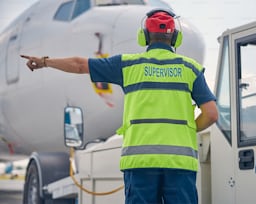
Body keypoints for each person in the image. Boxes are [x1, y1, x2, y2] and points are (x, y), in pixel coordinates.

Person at [21, 8, 218, 204]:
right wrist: (189, 128)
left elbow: (80, 64)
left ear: (144, 37)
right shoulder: (190, 68)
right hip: (180, 163)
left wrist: (44, 62)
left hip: (140, 163)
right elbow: (211, 114)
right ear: (176, 37)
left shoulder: (128, 65)